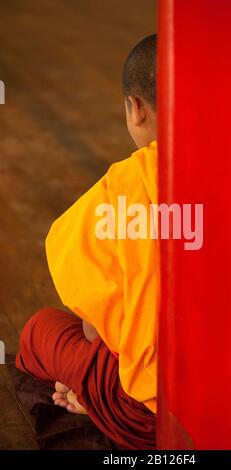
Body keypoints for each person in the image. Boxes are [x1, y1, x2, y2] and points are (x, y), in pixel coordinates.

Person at [16, 34, 158, 450]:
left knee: (40, 330)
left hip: (153, 415)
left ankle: (90, 399)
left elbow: (94, 333)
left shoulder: (121, 190)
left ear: (136, 109)